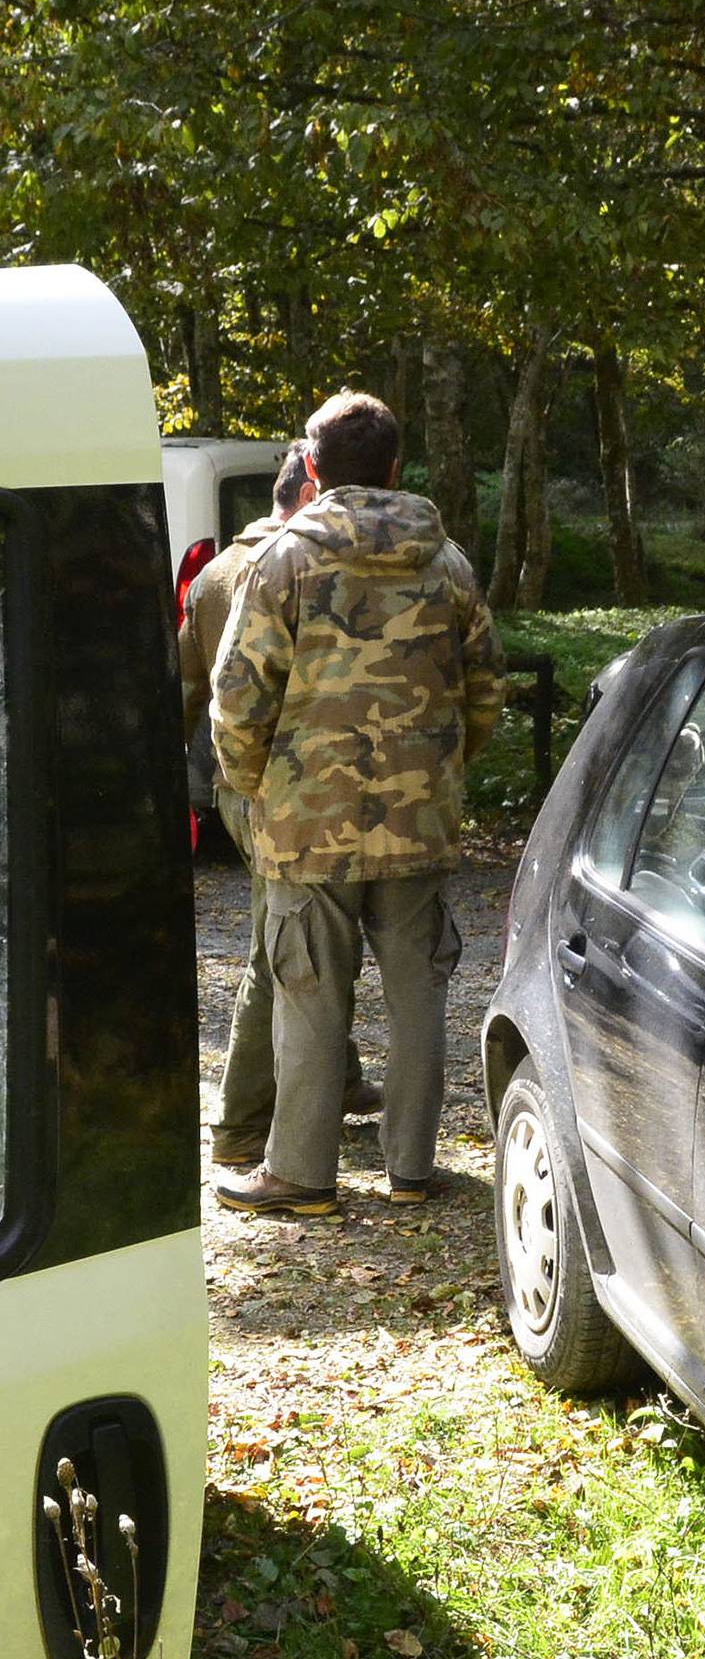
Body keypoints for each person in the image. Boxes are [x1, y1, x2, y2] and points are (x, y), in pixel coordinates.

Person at [210, 390, 506, 1219]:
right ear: (396, 467)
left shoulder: (284, 562)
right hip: (418, 822)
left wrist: (254, 782)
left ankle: (301, 1175)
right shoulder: (445, 563)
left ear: (310, 468)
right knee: (418, 993)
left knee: (309, 987)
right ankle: (412, 1166)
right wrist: (436, 771)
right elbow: (486, 690)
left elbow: (238, 696)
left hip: (307, 825)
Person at [180, 446, 375, 1168]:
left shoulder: (210, 576)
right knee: (279, 945)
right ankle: (237, 1125)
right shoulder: (296, 567)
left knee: (305, 931)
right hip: (281, 788)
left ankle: (337, 1076)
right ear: (305, 498)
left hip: (235, 782)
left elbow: (186, 688)